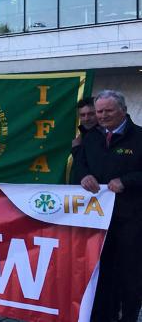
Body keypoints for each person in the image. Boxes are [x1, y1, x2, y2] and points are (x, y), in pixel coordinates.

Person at [73, 90, 142, 322]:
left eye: (108, 111)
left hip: (131, 220)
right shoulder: (92, 137)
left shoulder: (139, 137)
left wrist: (127, 181)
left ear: (123, 110)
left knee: (130, 275)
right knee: (99, 273)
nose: (101, 116)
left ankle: (129, 316)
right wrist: (84, 176)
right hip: (97, 220)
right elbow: (80, 164)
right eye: (99, 111)